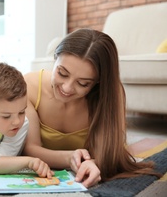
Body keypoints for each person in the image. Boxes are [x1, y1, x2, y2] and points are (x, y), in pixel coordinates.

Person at [22, 28, 161, 187]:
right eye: (62, 73)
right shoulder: (30, 87)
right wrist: (70, 158)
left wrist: (95, 163)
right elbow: (30, 149)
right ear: (55, 60)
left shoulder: (109, 96)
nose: (67, 88)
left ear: (98, 82)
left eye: (83, 83)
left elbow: (112, 152)